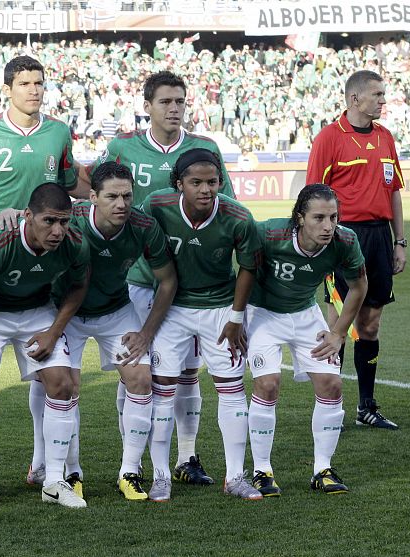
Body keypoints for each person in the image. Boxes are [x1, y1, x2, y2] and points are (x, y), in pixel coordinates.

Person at [89, 71, 235, 485]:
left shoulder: (204, 148)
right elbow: (100, 198)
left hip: (190, 285)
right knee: (137, 367)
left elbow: (225, 206)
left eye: (180, 102)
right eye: (166, 102)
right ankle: (131, 460)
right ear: (147, 105)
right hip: (137, 279)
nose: (174, 109)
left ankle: (187, 459)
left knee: (188, 372)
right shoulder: (122, 147)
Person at [34, 161, 178, 502]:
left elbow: (168, 280)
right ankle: (71, 473)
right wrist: (9, 214)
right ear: (93, 197)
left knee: (142, 379)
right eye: (112, 196)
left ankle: (129, 471)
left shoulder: (143, 225)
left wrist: (145, 332)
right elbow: (35, 223)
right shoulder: (70, 222)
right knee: (64, 386)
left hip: (115, 311)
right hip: (65, 312)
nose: (122, 204)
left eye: (127, 196)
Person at [0, 183, 90, 515]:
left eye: (64, 222)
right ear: (28, 216)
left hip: (37, 312)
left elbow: (79, 285)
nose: (57, 231)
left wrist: (54, 333)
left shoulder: (73, 242)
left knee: (63, 384)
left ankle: (54, 481)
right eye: (49, 221)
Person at [141, 148, 262, 502]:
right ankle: (161, 475)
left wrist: (237, 318)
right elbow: (123, 222)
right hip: (172, 308)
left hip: (219, 309)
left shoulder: (237, 217)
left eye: (212, 181)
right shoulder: (156, 205)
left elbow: (249, 268)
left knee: (231, 389)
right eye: (196, 182)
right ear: (179, 184)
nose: (206, 189)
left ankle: (236, 476)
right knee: (163, 390)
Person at [247, 184, 367, 497]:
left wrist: (339, 331)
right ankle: (261, 470)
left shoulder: (344, 240)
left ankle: (322, 469)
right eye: (318, 218)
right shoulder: (270, 234)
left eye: (333, 217)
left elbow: (358, 286)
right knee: (268, 384)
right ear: (300, 218)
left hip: (305, 314)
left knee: (332, 384)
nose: (328, 226)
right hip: (263, 314)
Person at [306, 70, 406, 429]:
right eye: (377, 94)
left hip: (380, 238)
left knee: (371, 322)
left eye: (383, 94)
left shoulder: (385, 138)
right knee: (339, 319)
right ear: (354, 99)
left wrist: (400, 241)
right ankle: (329, 403)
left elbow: (394, 191)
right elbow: (313, 197)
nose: (383, 100)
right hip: (343, 238)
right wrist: (322, 242)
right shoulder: (329, 139)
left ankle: (367, 406)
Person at [0, 55, 80, 236]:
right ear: (7, 90)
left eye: (38, 83)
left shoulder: (59, 131)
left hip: (45, 243)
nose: (34, 91)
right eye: (24, 84)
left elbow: (69, 182)